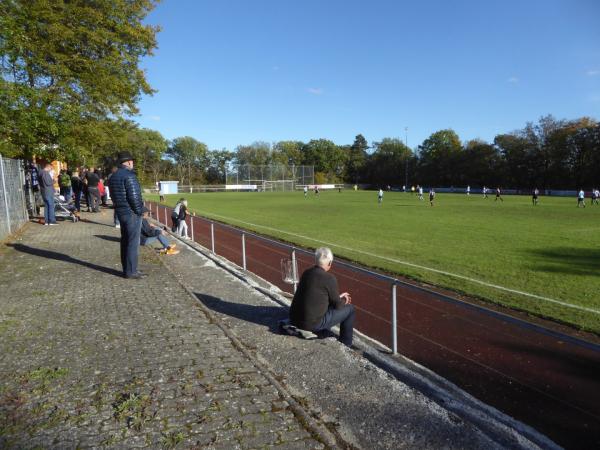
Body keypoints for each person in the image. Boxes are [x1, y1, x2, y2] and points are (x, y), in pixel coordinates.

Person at [289, 247, 355, 347]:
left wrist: (338, 297)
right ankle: (346, 345)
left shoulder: (306, 273)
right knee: (350, 309)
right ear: (330, 263)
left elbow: (317, 295)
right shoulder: (329, 278)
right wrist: (344, 299)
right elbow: (338, 305)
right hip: (311, 325)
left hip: (294, 319)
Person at [108, 151, 145, 279]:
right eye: (132, 161)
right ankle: (131, 271)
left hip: (120, 212)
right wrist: (140, 211)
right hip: (131, 213)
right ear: (129, 162)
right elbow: (134, 197)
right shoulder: (129, 176)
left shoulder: (113, 176)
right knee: (132, 243)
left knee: (125, 241)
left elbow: (113, 195)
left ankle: (128, 269)